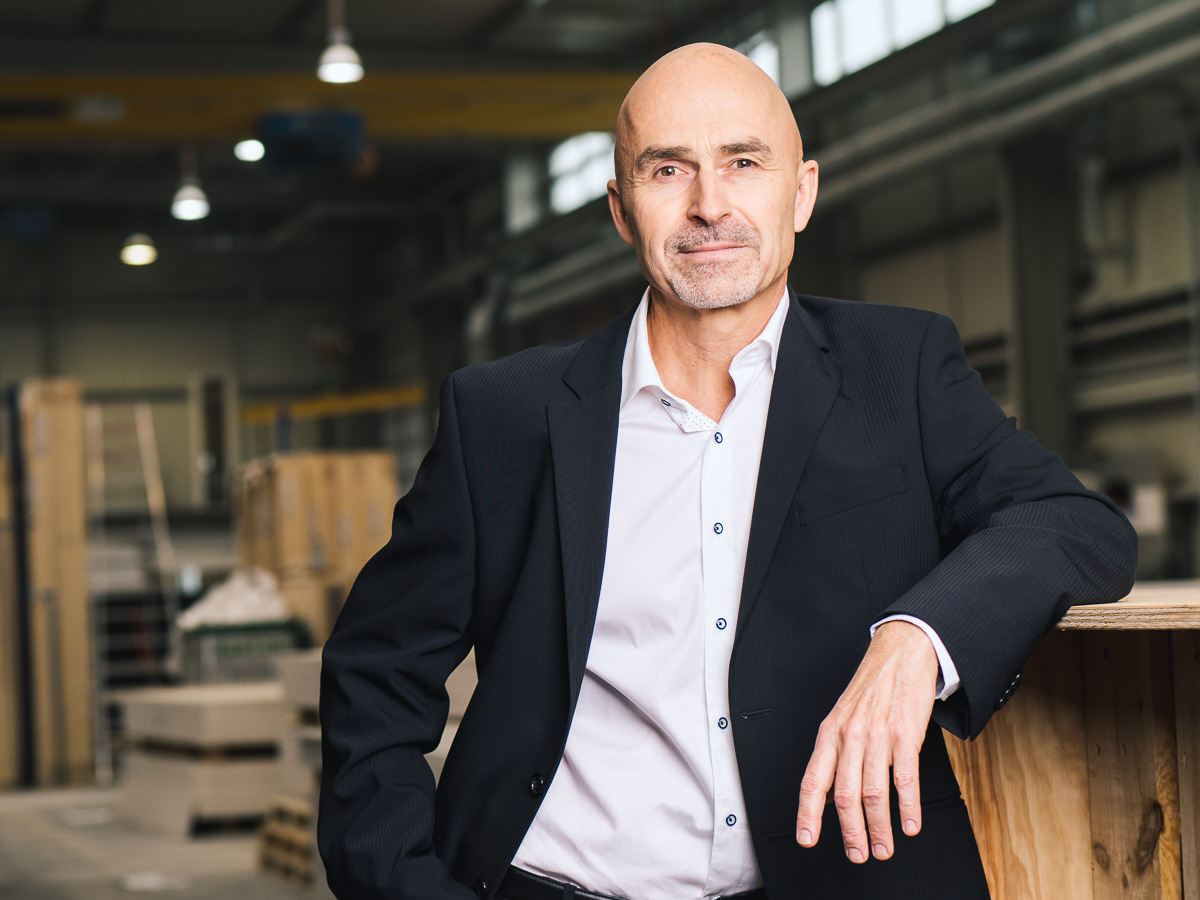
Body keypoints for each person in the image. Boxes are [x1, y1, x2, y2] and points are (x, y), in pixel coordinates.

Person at [319, 43, 1136, 900]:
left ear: (802, 193)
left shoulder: (900, 370)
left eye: (744, 162)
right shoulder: (503, 415)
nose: (709, 205)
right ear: (622, 209)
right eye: (668, 169)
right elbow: (376, 673)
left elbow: (1072, 523)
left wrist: (918, 639)